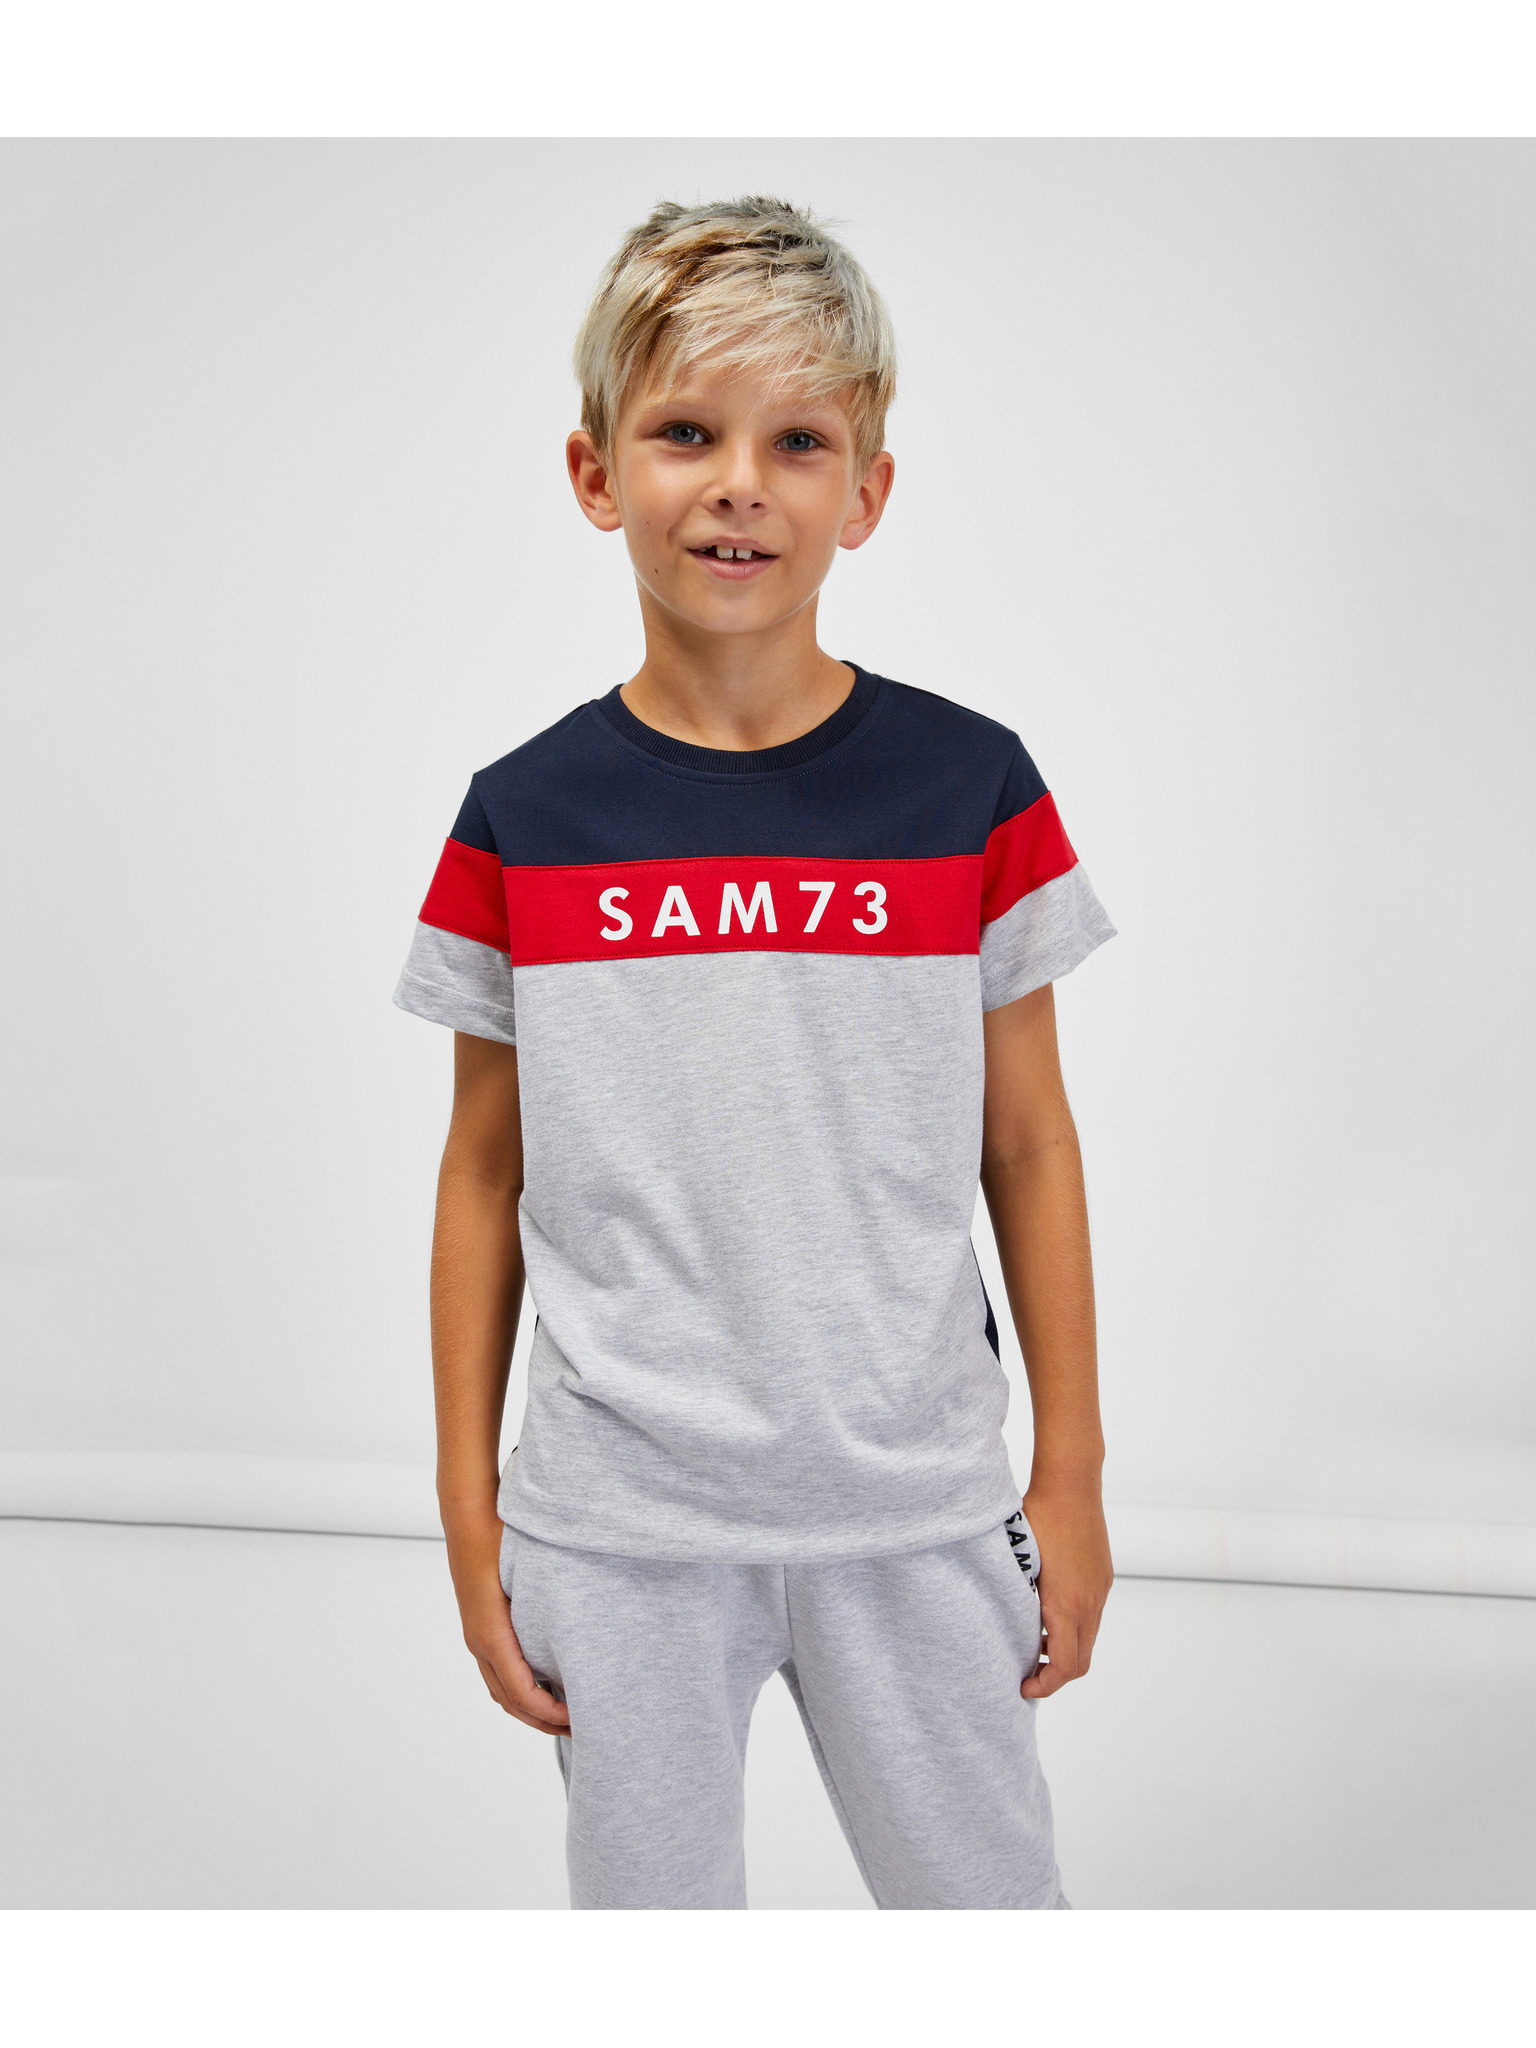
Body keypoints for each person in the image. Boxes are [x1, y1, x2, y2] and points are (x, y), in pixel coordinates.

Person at [393, 196, 1116, 1910]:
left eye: (798, 441)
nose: (740, 484)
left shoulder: (972, 787)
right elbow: (484, 1173)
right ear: (596, 473)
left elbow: (1029, 1141)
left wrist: (1070, 1475)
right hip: (621, 1527)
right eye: (685, 434)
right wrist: (467, 1508)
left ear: (867, 490)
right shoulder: (524, 815)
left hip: (917, 1506)